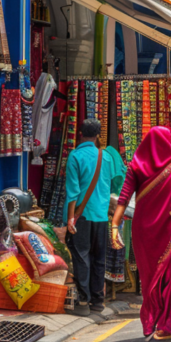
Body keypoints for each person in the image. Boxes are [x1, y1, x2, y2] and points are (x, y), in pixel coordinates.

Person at [111, 127, 171, 341]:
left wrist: (114, 226)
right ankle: (164, 325)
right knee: (169, 277)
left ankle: (151, 322)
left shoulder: (135, 166)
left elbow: (123, 198)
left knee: (150, 278)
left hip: (143, 232)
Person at [65, 119, 120, 316]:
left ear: (80, 133)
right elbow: (111, 185)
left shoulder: (75, 156)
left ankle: (83, 301)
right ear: (98, 135)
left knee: (81, 256)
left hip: (82, 216)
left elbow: (73, 192)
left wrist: (71, 218)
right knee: (98, 257)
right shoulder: (106, 157)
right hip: (100, 215)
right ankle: (98, 301)